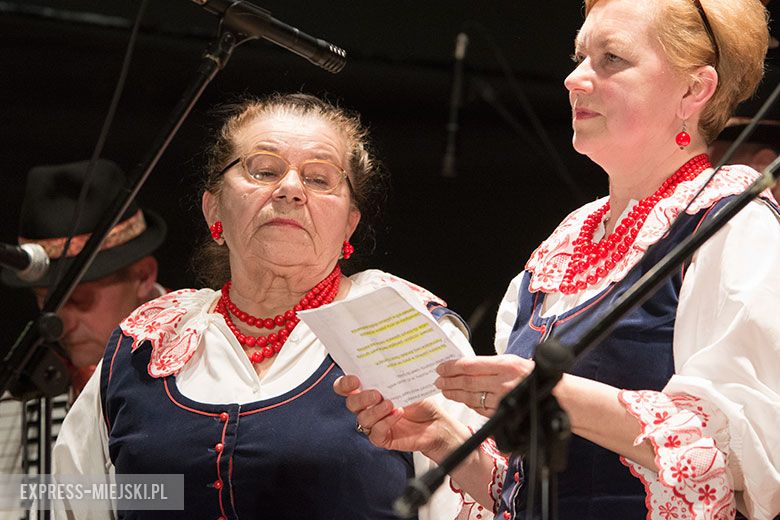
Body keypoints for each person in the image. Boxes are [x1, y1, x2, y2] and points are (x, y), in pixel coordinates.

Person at [336, 1, 780, 519]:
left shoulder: (732, 222)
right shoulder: (565, 243)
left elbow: (743, 452)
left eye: (611, 58)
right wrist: (445, 438)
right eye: (579, 57)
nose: (574, 79)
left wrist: (555, 395)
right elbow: (527, 491)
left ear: (693, 90)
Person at [52, 93, 491, 519]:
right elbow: (76, 497)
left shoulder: (394, 321)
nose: (291, 189)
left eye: (320, 179)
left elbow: (485, 500)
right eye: (263, 171)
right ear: (213, 209)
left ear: (349, 226)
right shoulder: (145, 342)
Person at [0, 159, 166, 520]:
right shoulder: (27, 383)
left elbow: (191, 489)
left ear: (142, 275)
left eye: (79, 300)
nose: (62, 322)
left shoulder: (208, 347)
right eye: (48, 301)